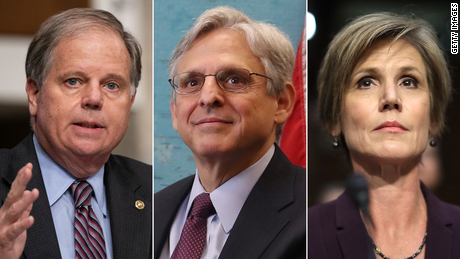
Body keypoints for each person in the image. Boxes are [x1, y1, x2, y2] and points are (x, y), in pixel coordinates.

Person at [154, 6, 306, 259]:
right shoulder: (151, 209)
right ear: (174, 112)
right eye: (192, 82)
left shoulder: (313, 214)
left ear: (281, 103)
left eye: (234, 79)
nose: (208, 97)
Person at [0, 8, 152, 259]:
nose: (94, 98)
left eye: (111, 85)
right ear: (34, 94)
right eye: (74, 81)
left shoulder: (157, 193)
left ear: (130, 100)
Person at [308, 12, 460, 259]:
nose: (391, 98)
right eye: (366, 82)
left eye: (409, 82)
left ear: (432, 119)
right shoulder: (305, 237)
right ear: (334, 120)